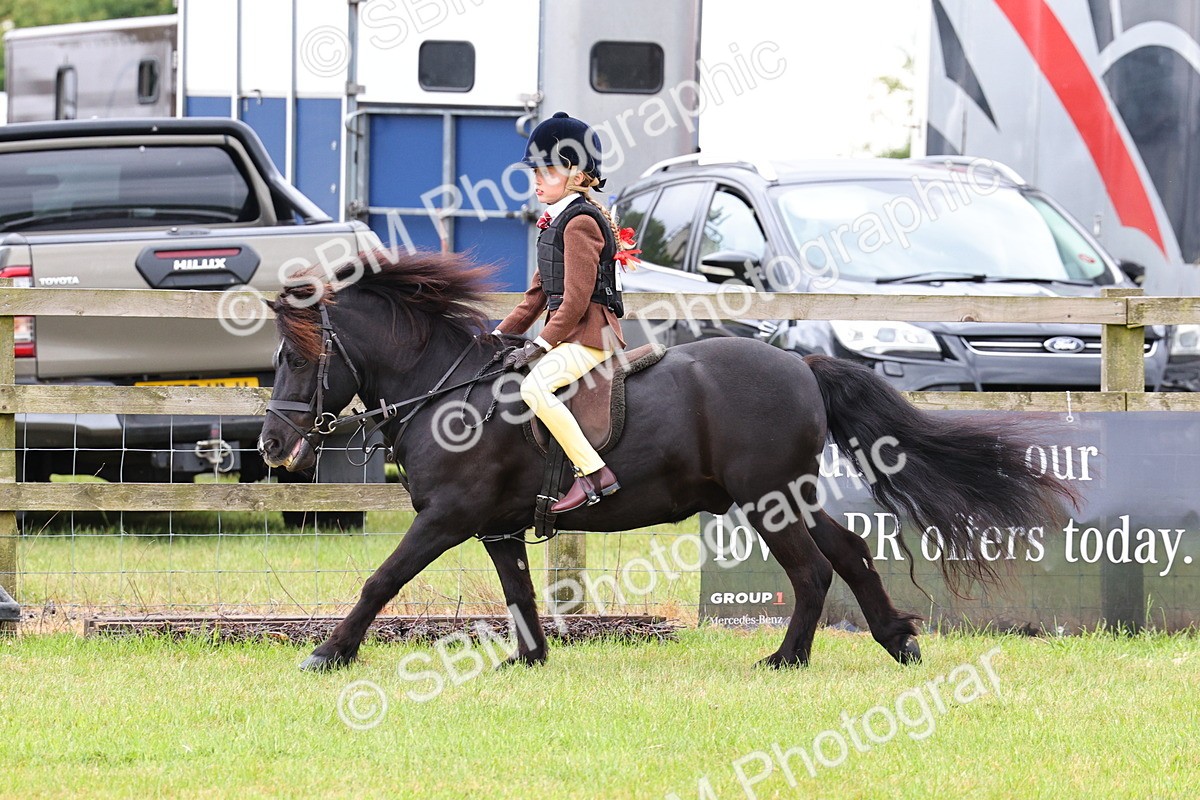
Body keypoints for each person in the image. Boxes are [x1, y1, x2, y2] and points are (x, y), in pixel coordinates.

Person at [496, 111, 639, 512]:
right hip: (572, 336)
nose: (537, 180)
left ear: (575, 174)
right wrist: (497, 337)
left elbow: (575, 302)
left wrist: (539, 344)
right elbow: (536, 297)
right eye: (535, 172)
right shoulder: (556, 223)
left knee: (534, 389)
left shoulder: (579, 224)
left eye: (547, 171)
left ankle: (593, 474)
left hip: (591, 337)